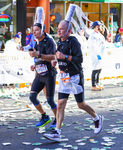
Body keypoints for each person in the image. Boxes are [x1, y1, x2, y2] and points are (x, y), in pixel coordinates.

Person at [43, 6, 104, 141]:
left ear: (68, 30)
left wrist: (64, 57)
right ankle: (57, 132)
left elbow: (79, 59)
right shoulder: (59, 41)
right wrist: (56, 62)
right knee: (60, 104)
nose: (59, 30)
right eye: (58, 28)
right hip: (64, 77)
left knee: (81, 105)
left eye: (62, 29)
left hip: (75, 77)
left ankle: (97, 117)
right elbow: (59, 57)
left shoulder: (73, 41)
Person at [28, 20, 58, 128]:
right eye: (33, 31)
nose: (34, 32)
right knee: (32, 97)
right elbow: (38, 57)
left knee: (50, 100)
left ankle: (58, 119)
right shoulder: (36, 42)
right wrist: (34, 65)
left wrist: (39, 55)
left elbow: (53, 57)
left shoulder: (49, 41)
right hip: (39, 74)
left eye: (37, 30)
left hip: (49, 74)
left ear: (43, 31)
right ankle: (44, 116)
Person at [88, 21, 105, 91]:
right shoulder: (93, 36)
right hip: (96, 55)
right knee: (95, 69)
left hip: (101, 54)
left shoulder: (99, 35)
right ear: (96, 27)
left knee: (99, 69)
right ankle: (93, 85)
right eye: (100, 26)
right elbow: (93, 46)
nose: (101, 27)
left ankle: (97, 83)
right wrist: (97, 54)